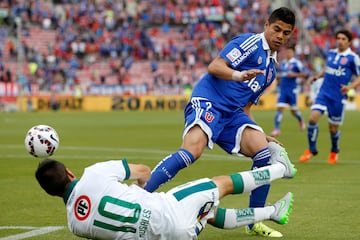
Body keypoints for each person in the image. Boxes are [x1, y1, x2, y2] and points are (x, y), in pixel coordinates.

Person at [143, 7, 296, 237]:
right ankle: (140, 194)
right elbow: (215, 66)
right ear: (266, 25)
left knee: (264, 153)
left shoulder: (271, 70)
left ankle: (254, 221)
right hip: (209, 102)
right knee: (191, 152)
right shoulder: (249, 44)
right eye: (277, 29)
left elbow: (246, 108)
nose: (280, 36)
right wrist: (237, 75)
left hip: (233, 114)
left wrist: (261, 134)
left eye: (286, 33)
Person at [35, 142, 296, 240]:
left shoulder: (74, 225)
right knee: (222, 183)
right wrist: (138, 188)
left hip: (171, 236)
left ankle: (273, 211)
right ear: (70, 173)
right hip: (168, 208)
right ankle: (280, 169)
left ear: (51, 193)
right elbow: (144, 172)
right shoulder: (94, 174)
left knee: (208, 214)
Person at [299, 29, 360, 164]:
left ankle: (334, 150)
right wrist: (317, 77)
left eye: (343, 39)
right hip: (324, 92)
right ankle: (311, 149)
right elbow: (326, 69)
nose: (340, 41)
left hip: (338, 97)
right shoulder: (331, 53)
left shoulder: (352, 58)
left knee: (333, 128)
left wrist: (349, 87)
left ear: (349, 42)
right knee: (313, 117)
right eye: (338, 38)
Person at [270, 46, 307, 137]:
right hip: (283, 89)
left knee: (294, 111)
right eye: (287, 52)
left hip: (292, 90)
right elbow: (281, 74)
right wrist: (278, 77)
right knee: (279, 108)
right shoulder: (283, 63)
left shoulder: (296, 63)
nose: (288, 54)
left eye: (290, 52)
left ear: (293, 53)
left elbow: (304, 74)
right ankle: (276, 129)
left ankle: (300, 120)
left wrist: (294, 74)